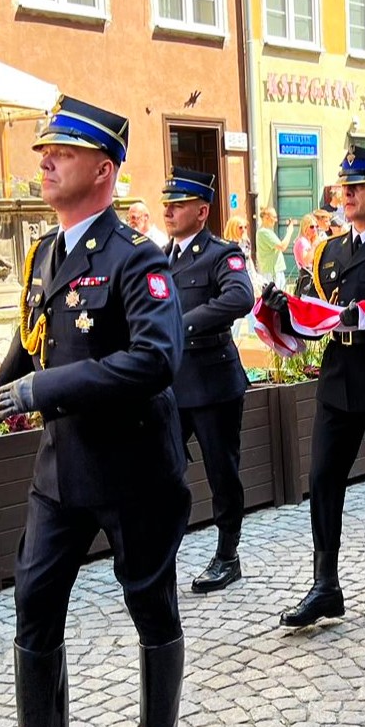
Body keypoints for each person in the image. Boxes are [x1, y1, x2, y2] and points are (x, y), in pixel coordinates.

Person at [0, 96, 189, 727]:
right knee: (34, 605)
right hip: (60, 472)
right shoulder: (45, 254)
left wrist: (43, 389)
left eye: (62, 150)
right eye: (44, 150)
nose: (45, 160)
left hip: (132, 469)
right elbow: (33, 336)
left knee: (149, 605)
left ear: (103, 169)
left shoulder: (137, 258)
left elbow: (156, 360)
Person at [260, 146, 365, 628]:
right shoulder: (329, 251)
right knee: (322, 480)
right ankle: (325, 584)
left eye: (357, 187)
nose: (347, 195)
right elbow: (316, 315)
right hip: (339, 379)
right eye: (344, 187)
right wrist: (284, 310)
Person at [157, 169, 256, 596]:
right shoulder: (159, 257)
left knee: (222, 472)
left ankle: (227, 554)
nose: (168, 211)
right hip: (169, 386)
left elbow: (240, 297)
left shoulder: (221, 253)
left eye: (178, 204)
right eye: (167, 204)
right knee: (162, 473)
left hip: (213, 382)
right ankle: (160, 557)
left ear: (201, 212)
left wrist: (181, 326)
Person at [255, 206, 296, 285]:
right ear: (266, 217)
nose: (276, 220)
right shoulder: (264, 232)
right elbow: (282, 246)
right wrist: (290, 232)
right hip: (272, 272)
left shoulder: (268, 231)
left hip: (276, 271)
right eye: (274, 217)